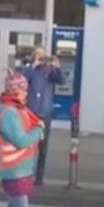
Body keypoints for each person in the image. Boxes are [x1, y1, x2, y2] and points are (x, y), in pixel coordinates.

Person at [0, 72, 46, 207]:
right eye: (24, 90)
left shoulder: (16, 109)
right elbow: (21, 141)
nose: (26, 94)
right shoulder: (10, 112)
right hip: (15, 170)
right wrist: (38, 129)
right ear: (16, 91)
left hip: (17, 169)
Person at [23, 46, 65, 186]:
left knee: (43, 146)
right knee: (29, 145)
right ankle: (26, 173)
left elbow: (61, 80)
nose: (41, 59)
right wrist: (33, 65)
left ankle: (39, 176)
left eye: (43, 56)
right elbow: (23, 80)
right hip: (31, 111)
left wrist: (57, 67)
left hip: (45, 112)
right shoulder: (30, 69)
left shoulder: (48, 71)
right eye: (38, 56)